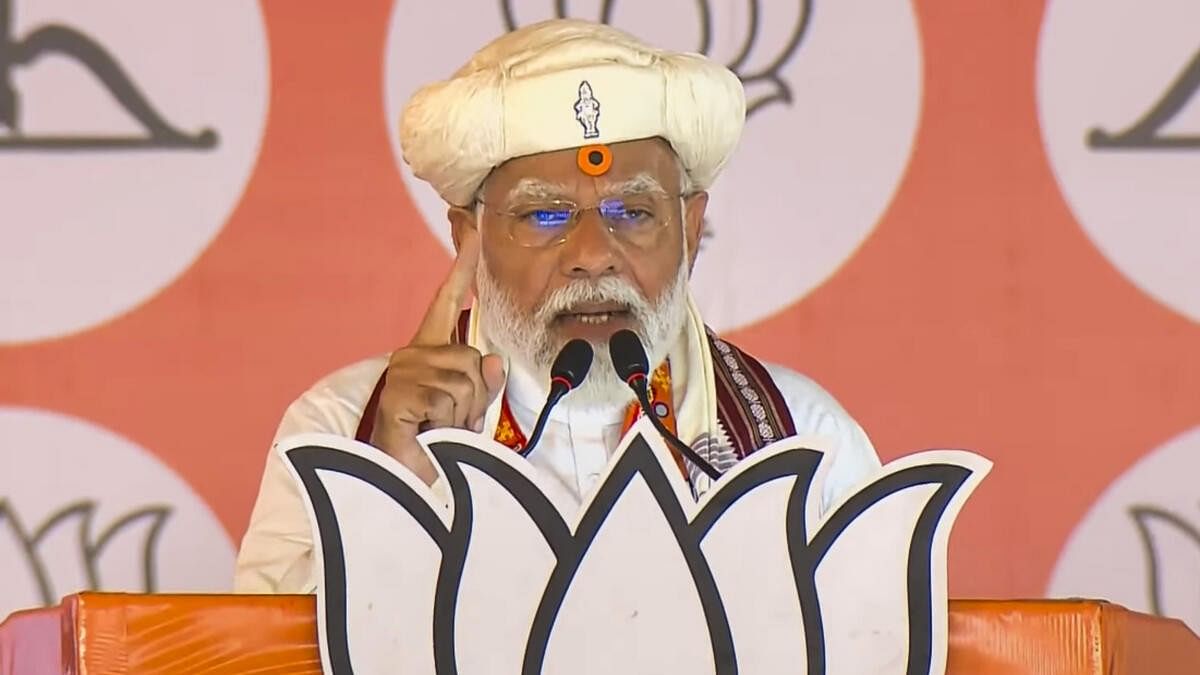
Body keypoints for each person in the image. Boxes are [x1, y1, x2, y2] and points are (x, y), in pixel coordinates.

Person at [234, 18, 880, 594]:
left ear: (689, 225)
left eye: (633, 211)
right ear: (468, 236)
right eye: (545, 214)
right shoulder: (342, 424)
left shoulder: (800, 438)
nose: (593, 254)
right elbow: (261, 658)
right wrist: (390, 478)